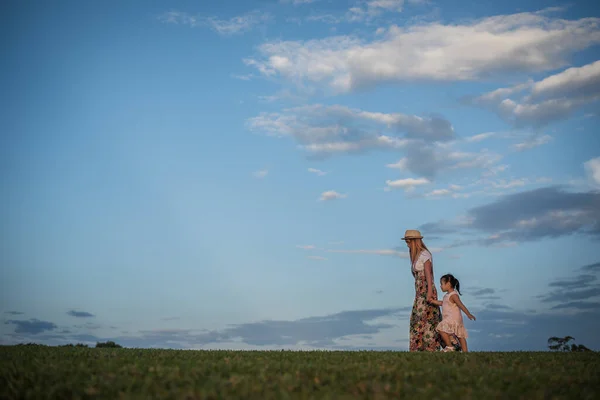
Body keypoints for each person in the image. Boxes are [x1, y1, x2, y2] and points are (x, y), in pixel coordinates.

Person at [404, 229, 443, 352]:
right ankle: (418, 348)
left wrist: (430, 292)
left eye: (408, 241)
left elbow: (428, 275)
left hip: (426, 289)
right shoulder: (415, 256)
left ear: (415, 241)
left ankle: (431, 346)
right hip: (419, 291)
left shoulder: (425, 254)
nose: (407, 244)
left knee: (428, 319)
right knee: (419, 319)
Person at [429, 274, 476, 352]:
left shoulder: (453, 295)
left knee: (442, 329)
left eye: (442, 284)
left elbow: (460, 304)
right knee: (459, 336)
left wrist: (468, 314)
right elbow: (442, 303)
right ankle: (465, 351)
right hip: (451, 318)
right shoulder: (446, 296)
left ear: (448, 284)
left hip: (453, 318)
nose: (440, 286)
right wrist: (433, 301)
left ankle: (450, 347)